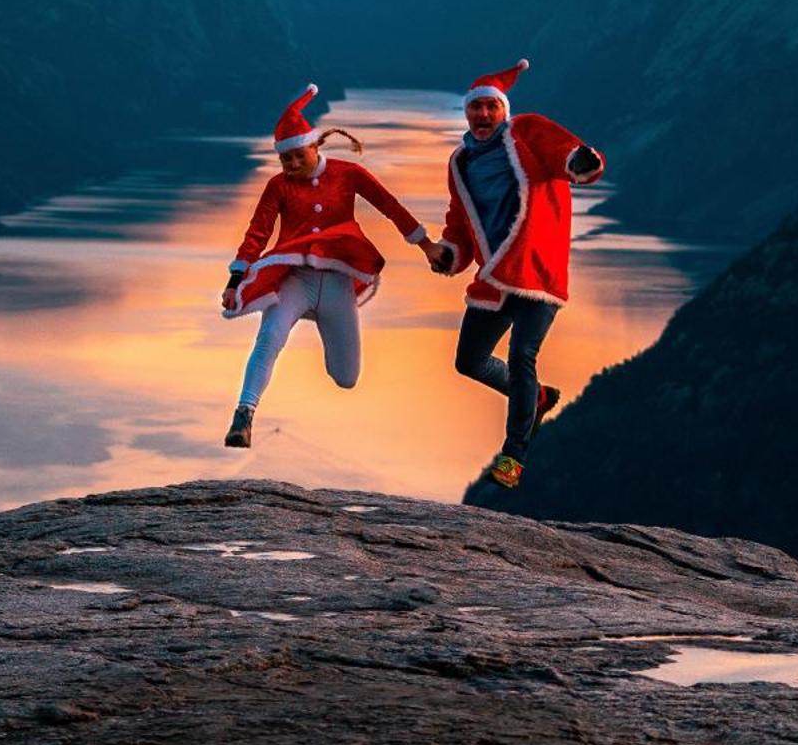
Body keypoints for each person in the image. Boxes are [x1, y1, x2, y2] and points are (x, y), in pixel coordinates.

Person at [221, 84, 434, 448]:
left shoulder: (349, 174)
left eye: (298, 157)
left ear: (315, 146)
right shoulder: (277, 186)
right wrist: (235, 279)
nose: (291, 166)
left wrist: (426, 246)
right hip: (295, 280)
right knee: (269, 338)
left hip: (337, 283)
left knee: (346, 376)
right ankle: (244, 415)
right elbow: (257, 233)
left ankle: (325, 324)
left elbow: (390, 206)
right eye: (285, 160)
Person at [425, 59, 604, 490]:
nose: (483, 115)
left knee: (523, 356)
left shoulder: (526, 133)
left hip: (538, 270)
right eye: (476, 109)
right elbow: (460, 221)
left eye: (491, 107)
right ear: (466, 113)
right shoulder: (461, 162)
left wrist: (580, 160)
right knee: (469, 360)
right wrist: (449, 254)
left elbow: (566, 154)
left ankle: (514, 457)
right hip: (496, 275)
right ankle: (537, 398)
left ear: (503, 110)